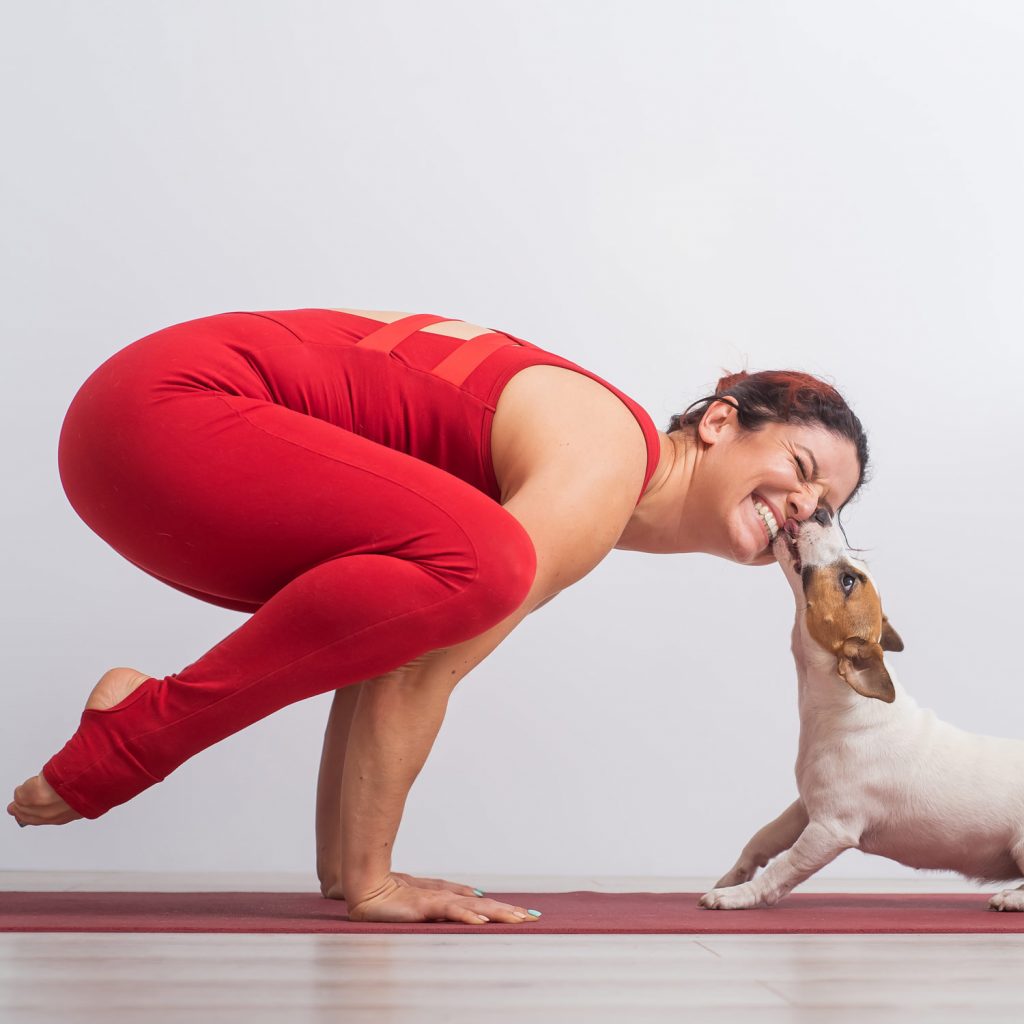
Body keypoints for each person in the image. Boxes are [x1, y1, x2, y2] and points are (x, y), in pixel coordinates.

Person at [6, 307, 866, 925]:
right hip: (171, 413)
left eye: (827, 505)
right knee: (486, 567)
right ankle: (134, 735)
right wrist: (380, 887)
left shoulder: (588, 473)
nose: (804, 507)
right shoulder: (609, 455)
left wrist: (347, 875)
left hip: (127, 438)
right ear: (719, 423)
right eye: (799, 466)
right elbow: (428, 669)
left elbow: (393, 651)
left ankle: (156, 737)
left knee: (437, 587)